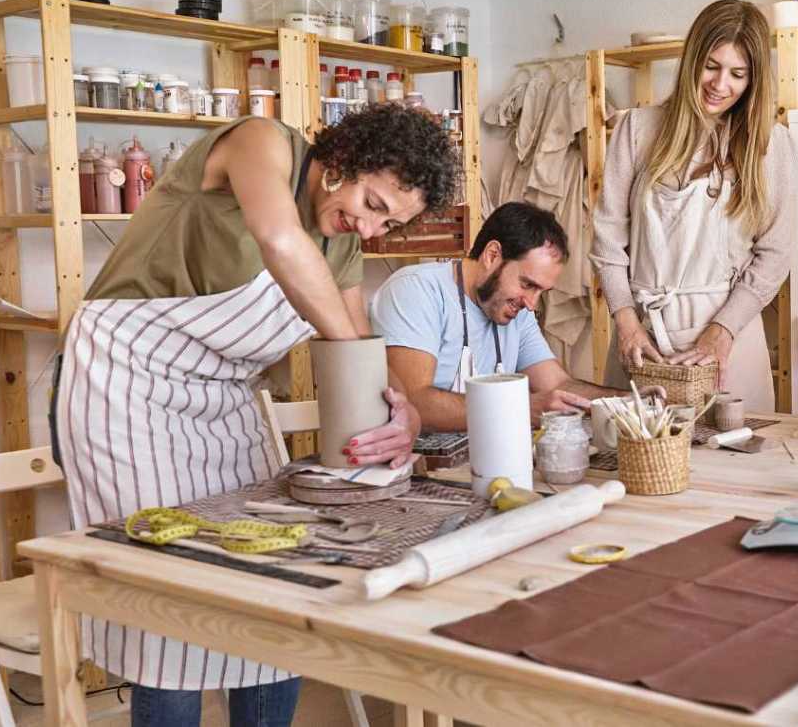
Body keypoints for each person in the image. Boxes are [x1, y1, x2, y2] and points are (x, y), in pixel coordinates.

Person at [51, 106, 460, 726]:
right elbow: (278, 238)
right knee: (169, 596)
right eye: (373, 203)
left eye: (390, 223)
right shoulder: (261, 144)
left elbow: (352, 338)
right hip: (125, 378)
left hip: (223, 393)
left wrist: (395, 410)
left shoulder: (342, 239)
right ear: (346, 159)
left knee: (274, 579)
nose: (372, 230)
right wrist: (357, 358)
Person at [590, 0, 796, 411]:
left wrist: (722, 330)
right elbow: (607, 239)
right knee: (638, 463)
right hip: (643, 335)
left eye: (738, 74)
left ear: (754, 80)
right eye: (711, 66)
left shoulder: (769, 146)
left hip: (727, 340)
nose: (721, 85)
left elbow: (775, 255)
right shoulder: (637, 129)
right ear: (691, 61)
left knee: (733, 463)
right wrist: (626, 321)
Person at [372, 202, 640, 431]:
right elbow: (415, 401)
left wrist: (629, 401)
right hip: (418, 463)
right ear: (492, 256)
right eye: (527, 284)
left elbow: (559, 384)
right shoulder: (417, 290)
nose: (532, 304)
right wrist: (517, 409)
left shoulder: (517, 311)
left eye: (541, 291)